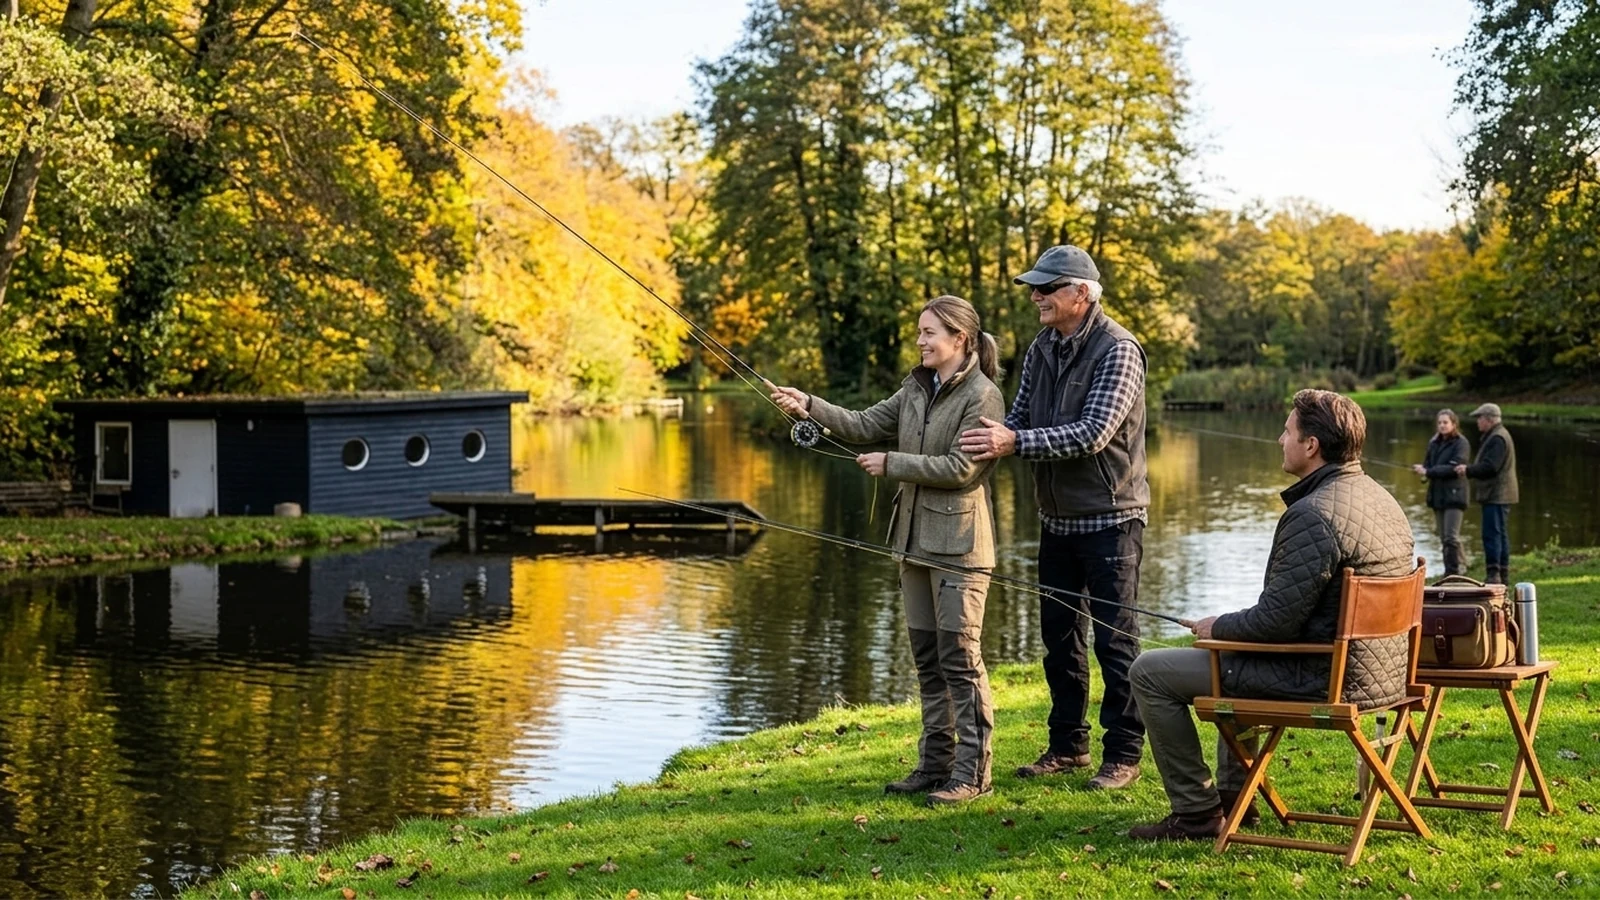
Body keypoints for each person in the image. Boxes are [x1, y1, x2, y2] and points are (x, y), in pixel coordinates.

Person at [1125, 389, 1417, 840]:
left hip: (1325, 678)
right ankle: (1236, 800)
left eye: (1287, 431)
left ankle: (1196, 813)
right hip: (1382, 675)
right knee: (1234, 654)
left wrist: (1216, 626)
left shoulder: (1313, 515)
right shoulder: (1382, 499)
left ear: (1311, 445)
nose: (1280, 440)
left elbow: (1275, 624)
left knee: (1149, 671)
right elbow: (1287, 614)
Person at [769, 295, 1006, 805]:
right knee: (927, 659)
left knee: (960, 659)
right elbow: (861, 424)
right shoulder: (915, 387)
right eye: (919, 332)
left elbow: (962, 470)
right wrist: (808, 403)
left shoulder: (983, 396)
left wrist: (891, 463)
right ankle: (935, 764)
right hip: (912, 542)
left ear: (959, 338)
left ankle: (974, 774)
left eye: (929, 333)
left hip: (961, 548)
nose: (920, 341)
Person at [957, 244, 1148, 792]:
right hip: (1057, 518)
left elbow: (1093, 433)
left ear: (1080, 293)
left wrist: (1014, 442)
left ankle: (1124, 754)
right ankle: (1068, 746)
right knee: (1060, 640)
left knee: (1115, 641)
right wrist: (980, 440)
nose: (1035, 297)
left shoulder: (1119, 350)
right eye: (1034, 288)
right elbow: (1018, 416)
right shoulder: (1043, 346)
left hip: (1112, 518)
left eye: (1046, 288)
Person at [1455, 403, 1519, 584]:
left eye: (1479, 418)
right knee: (1499, 534)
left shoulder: (1497, 438)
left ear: (1489, 419)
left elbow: (1491, 467)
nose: (1478, 422)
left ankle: (1494, 575)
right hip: (1499, 494)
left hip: (1497, 494)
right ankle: (1501, 574)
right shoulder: (1498, 434)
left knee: (1492, 534)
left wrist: (1467, 470)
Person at [1412, 409, 1471, 576]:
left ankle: (1452, 572)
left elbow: (1454, 468)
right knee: (1444, 536)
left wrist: (1429, 471)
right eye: (1439, 423)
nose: (1442, 426)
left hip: (1455, 495)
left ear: (1454, 424)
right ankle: (1462, 565)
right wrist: (1423, 470)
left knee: (1450, 536)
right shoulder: (1434, 442)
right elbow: (1428, 464)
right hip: (1437, 496)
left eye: (1445, 422)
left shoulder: (1461, 443)